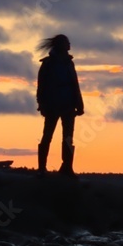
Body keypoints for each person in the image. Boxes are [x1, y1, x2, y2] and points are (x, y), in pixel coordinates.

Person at [36, 34, 84, 176]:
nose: (69, 45)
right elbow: (41, 86)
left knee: (68, 137)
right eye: (67, 43)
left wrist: (79, 105)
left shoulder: (69, 63)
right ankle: (42, 168)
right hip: (52, 105)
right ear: (61, 45)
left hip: (68, 105)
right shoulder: (48, 64)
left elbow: (75, 85)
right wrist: (42, 104)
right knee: (47, 136)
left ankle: (67, 167)